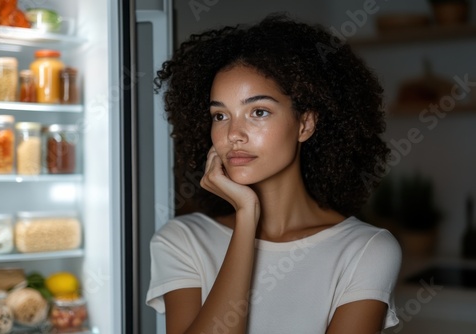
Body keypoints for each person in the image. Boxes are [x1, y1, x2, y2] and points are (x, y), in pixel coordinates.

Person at [146, 13, 402, 334]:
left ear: (305, 124)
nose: (234, 134)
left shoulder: (366, 249)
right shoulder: (182, 240)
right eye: (220, 114)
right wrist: (246, 216)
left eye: (259, 112)